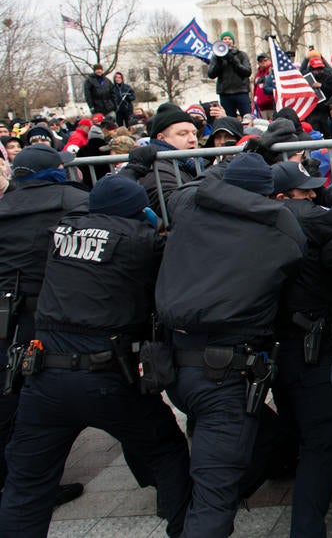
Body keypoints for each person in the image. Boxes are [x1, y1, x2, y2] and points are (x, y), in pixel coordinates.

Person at [0, 176, 191, 537]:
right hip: (107, 377)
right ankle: (184, 526)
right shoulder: (141, 241)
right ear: (140, 211)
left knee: (26, 486)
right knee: (166, 450)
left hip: (45, 379)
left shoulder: (57, 234)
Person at [158, 153, 306, 536]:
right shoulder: (279, 225)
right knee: (214, 497)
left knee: (268, 438)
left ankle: (186, 519)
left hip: (177, 368)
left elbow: (190, 189)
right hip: (223, 378)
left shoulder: (188, 206)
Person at [268, 161, 332, 537]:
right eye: (303, 192)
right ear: (281, 198)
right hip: (310, 347)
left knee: (292, 419)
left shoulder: (252, 220)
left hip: (277, 344)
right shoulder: (299, 217)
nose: (313, 195)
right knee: (323, 440)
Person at [0, 144, 89, 509]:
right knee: (39, 402)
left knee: (11, 397)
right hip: (50, 313)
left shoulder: (4, 206)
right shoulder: (75, 199)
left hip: (8, 313)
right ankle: (32, 485)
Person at [118, 103, 200, 219]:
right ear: (161, 138)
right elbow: (174, 207)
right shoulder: (155, 169)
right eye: (183, 134)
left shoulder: (192, 164)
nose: (193, 140)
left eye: (194, 133)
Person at [207, 32, 254, 117]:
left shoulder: (241, 55)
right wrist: (219, 62)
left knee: (247, 117)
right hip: (225, 93)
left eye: (229, 39)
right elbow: (211, 74)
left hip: (241, 92)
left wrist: (234, 60)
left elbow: (247, 71)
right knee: (228, 118)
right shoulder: (216, 57)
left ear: (233, 41)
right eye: (225, 39)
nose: (227, 41)